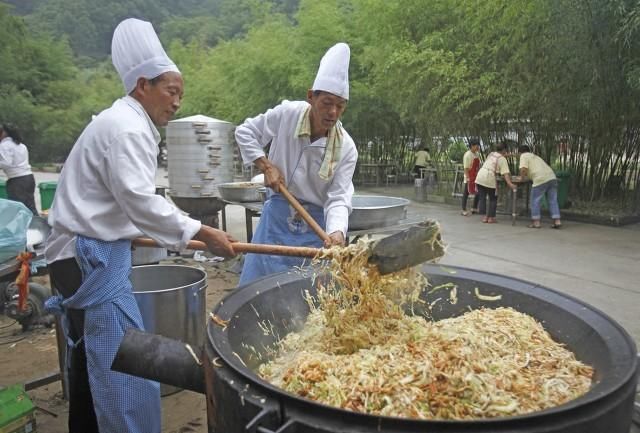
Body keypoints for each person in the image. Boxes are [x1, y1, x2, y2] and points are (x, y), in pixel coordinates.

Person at [44, 18, 236, 433]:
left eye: (181, 95)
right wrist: (202, 232)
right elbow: (139, 200)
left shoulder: (124, 121)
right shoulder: (128, 128)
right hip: (86, 255)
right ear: (142, 85)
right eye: (171, 92)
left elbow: (127, 203)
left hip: (84, 252)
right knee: (121, 363)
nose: (177, 103)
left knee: (93, 354)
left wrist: (172, 230)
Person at [235, 42, 357, 286]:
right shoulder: (288, 114)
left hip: (316, 229)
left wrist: (336, 233)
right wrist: (266, 165)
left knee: (310, 299)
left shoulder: (346, 147)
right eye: (327, 103)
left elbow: (339, 197)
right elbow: (245, 132)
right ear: (311, 96)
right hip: (276, 220)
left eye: (340, 106)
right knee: (256, 290)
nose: (332, 112)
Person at [518, 145, 562, 229]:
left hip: (540, 179)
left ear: (520, 152)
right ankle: (557, 221)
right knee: (552, 200)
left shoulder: (524, 156)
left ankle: (536, 223)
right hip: (552, 177)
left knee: (535, 200)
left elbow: (523, 169)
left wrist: (521, 178)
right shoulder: (535, 156)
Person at [474, 142, 517, 223]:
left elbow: (499, 156)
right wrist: (510, 184)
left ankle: (484, 217)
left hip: (480, 176)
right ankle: (491, 218)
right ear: (504, 150)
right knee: (493, 198)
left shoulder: (491, 154)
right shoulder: (502, 159)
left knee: (482, 197)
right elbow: (505, 174)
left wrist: (513, 155)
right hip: (489, 177)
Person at [0, 123, 37, 214]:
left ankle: (22, 227)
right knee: (30, 206)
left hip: (17, 181)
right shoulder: (21, 145)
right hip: (28, 178)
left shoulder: (4, 145)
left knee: (17, 209)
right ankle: (36, 225)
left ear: (4, 133)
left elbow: (6, 163)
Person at [461, 138, 481, 216]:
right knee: (466, 193)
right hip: (469, 176)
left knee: (478, 192)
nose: (478, 147)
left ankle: (474, 208)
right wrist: (468, 178)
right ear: (472, 146)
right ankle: (463, 209)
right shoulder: (467, 155)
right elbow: (466, 168)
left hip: (476, 176)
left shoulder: (477, 154)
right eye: (477, 146)